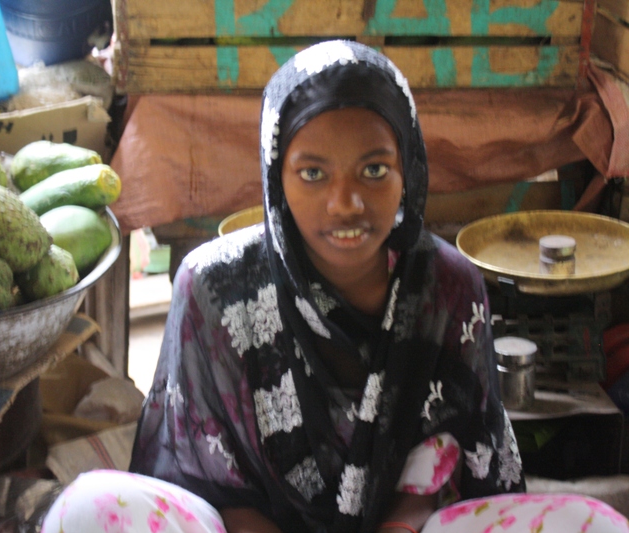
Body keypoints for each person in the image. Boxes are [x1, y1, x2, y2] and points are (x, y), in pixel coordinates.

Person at [40, 41, 629, 533]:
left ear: (409, 170)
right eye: (313, 173)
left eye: (374, 170)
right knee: (86, 509)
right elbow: (207, 479)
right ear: (276, 176)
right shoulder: (216, 288)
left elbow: (451, 460)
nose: (345, 203)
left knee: (597, 524)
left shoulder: (448, 288)